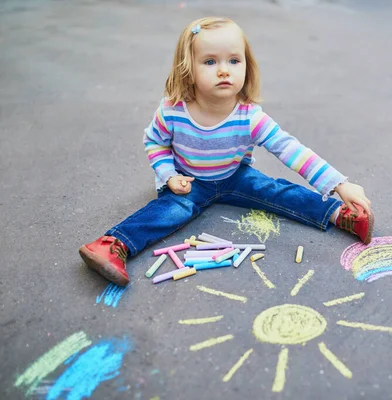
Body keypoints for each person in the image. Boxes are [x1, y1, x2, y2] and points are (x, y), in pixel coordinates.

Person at [79, 17, 374, 286]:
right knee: (169, 211)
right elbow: (154, 142)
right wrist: (169, 176)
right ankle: (112, 244)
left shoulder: (250, 117)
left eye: (234, 60)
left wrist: (339, 184)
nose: (223, 70)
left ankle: (340, 214)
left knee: (275, 190)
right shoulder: (172, 111)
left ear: (247, 66)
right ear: (188, 69)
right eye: (209, 62)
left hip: (235, 176)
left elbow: (290, 150)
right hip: (189, 182)